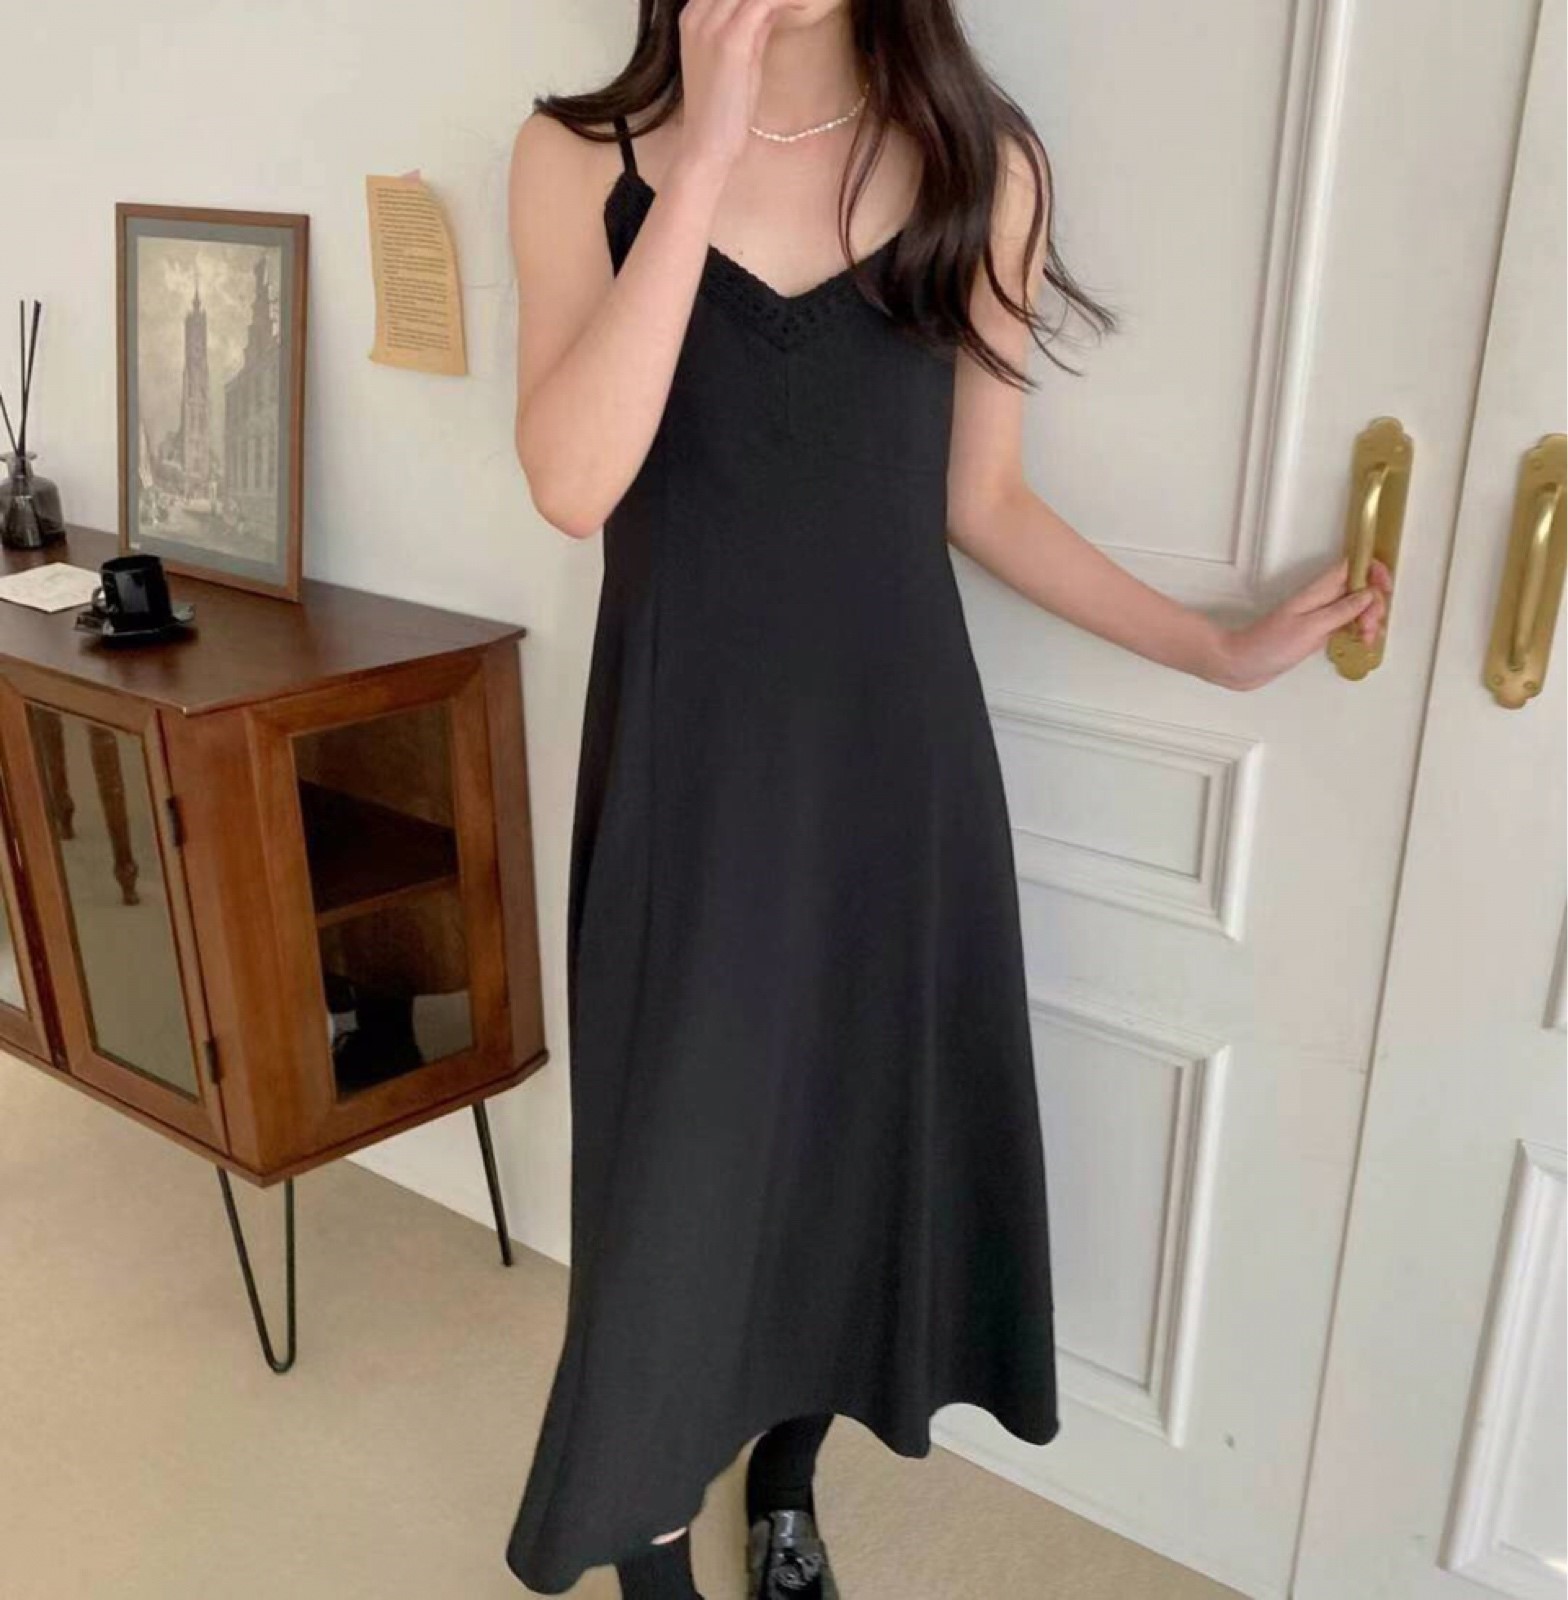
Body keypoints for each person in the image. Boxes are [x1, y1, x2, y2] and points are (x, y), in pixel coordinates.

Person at [504, 3, 1392, 1596]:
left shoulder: (984, 164)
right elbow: (573, 484)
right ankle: (650, 1548)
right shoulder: (582, 156)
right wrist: (702, 157)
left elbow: (981, 500)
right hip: (688, 773)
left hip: (891, 769)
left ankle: (788, 1475)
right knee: (671, 1183)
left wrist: (1212, 647)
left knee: (854, 1148)